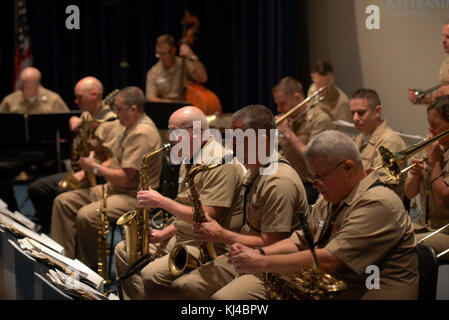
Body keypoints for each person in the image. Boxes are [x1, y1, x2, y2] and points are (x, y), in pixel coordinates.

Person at [228, 130, 419, 300]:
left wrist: (261, 262)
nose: (316, 185)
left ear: (348, 168)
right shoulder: (330, 196)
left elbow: (330, 260)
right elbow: (301, 239)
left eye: (321, 177)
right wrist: (258, 252)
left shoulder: (378, 202)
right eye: (313, 178)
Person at [169, 105, 309, 300]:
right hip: (244, 253)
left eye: (238, 141)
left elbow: (273, 243)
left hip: (274, 266)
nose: (231, 147)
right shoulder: (254, 171)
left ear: (262, 142)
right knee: (183, 286)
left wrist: (222, 236)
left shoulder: (278, 181)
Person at [114, 106, 246, 300]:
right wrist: (163, 233)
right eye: (170, 130)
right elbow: (185, 209)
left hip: (206, 244)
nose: (170, 138)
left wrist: (162, 202)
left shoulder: (220, 163)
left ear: (195, 132)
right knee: (123, 251)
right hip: (183, 236)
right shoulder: (189, 156)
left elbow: (206, 216)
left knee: (152, 275)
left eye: (175, 131)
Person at [50, 86, 163, 269]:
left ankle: (88, 270)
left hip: (134, 196)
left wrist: (95, 168)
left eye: (118, 109)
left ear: (133, 109)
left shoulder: (141, 133)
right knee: (63, 202)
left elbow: (126, 178)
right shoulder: (129, 126)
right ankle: (62, 262)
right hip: (115, 189)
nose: (115, 113)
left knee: (87, 216)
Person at [27, 76, 117, 234]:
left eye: (79, 97)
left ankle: (72, 236)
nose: (76, 101)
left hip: (99, 175)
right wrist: (72, 118)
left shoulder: (111, 122)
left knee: (61, 193)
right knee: (37, 189)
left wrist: (86, 172)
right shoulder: (86, 115)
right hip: (82, 170)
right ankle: (51, 233)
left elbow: (114, 160)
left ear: (95, 94)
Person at [0, 67, 70, 212]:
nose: (27, 88)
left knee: (59, 175)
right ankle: (11, 211)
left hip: (47, 156)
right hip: (15, 155)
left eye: (31, 84)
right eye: (25, 84)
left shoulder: (53, 99)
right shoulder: (10, 101)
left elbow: (66, 129)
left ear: (38, 83)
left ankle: (48, 215)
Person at [273, 76, 333, 205]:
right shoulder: (286, 121)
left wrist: (288, 133)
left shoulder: (320, 120)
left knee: (278, 199)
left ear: (297, 98)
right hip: (287, 181)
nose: (278, 109)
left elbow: (312, 158)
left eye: (282, 104)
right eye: (277, 104)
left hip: (311, 186)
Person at [404, 95, 449, 262]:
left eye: (436, 125)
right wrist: (415, 175)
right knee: (386, 237)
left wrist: (434, 162)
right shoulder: (430, 147)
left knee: (405, 247)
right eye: (429, 124)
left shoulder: (433, 154)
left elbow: (444, 198)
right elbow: (409, 194)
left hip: (446, 231)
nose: (430, 131)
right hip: (426, 225)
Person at [350, 88, 406, 198]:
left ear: (377, 111)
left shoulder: (389, 141)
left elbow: (383, 185)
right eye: (352, 113)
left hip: (378, 205)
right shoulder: (361, 137)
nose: (355, 118)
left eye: (361, 113)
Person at [145, 34, 208, 103]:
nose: (161, 57)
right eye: (158, 54)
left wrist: (192, 56)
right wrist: (173, 103)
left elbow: (203, 78)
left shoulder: (183, 64)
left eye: (164, 54)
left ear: (173, 51)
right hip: (165, 108)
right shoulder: (153, 72)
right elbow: (151, 98)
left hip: (187, 106)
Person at [408, 19, 449, 104]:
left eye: (448, 37)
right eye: (443, 36)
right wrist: (421, 98)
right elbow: (440, 96)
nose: (443, 41)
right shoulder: (445, 64)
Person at [0, 67, 69, 114]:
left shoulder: (53, 99)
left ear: (38, 85)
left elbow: (66, 120)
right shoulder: (9, 100)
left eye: (30, 86)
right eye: (23, 84)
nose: (25, 88)